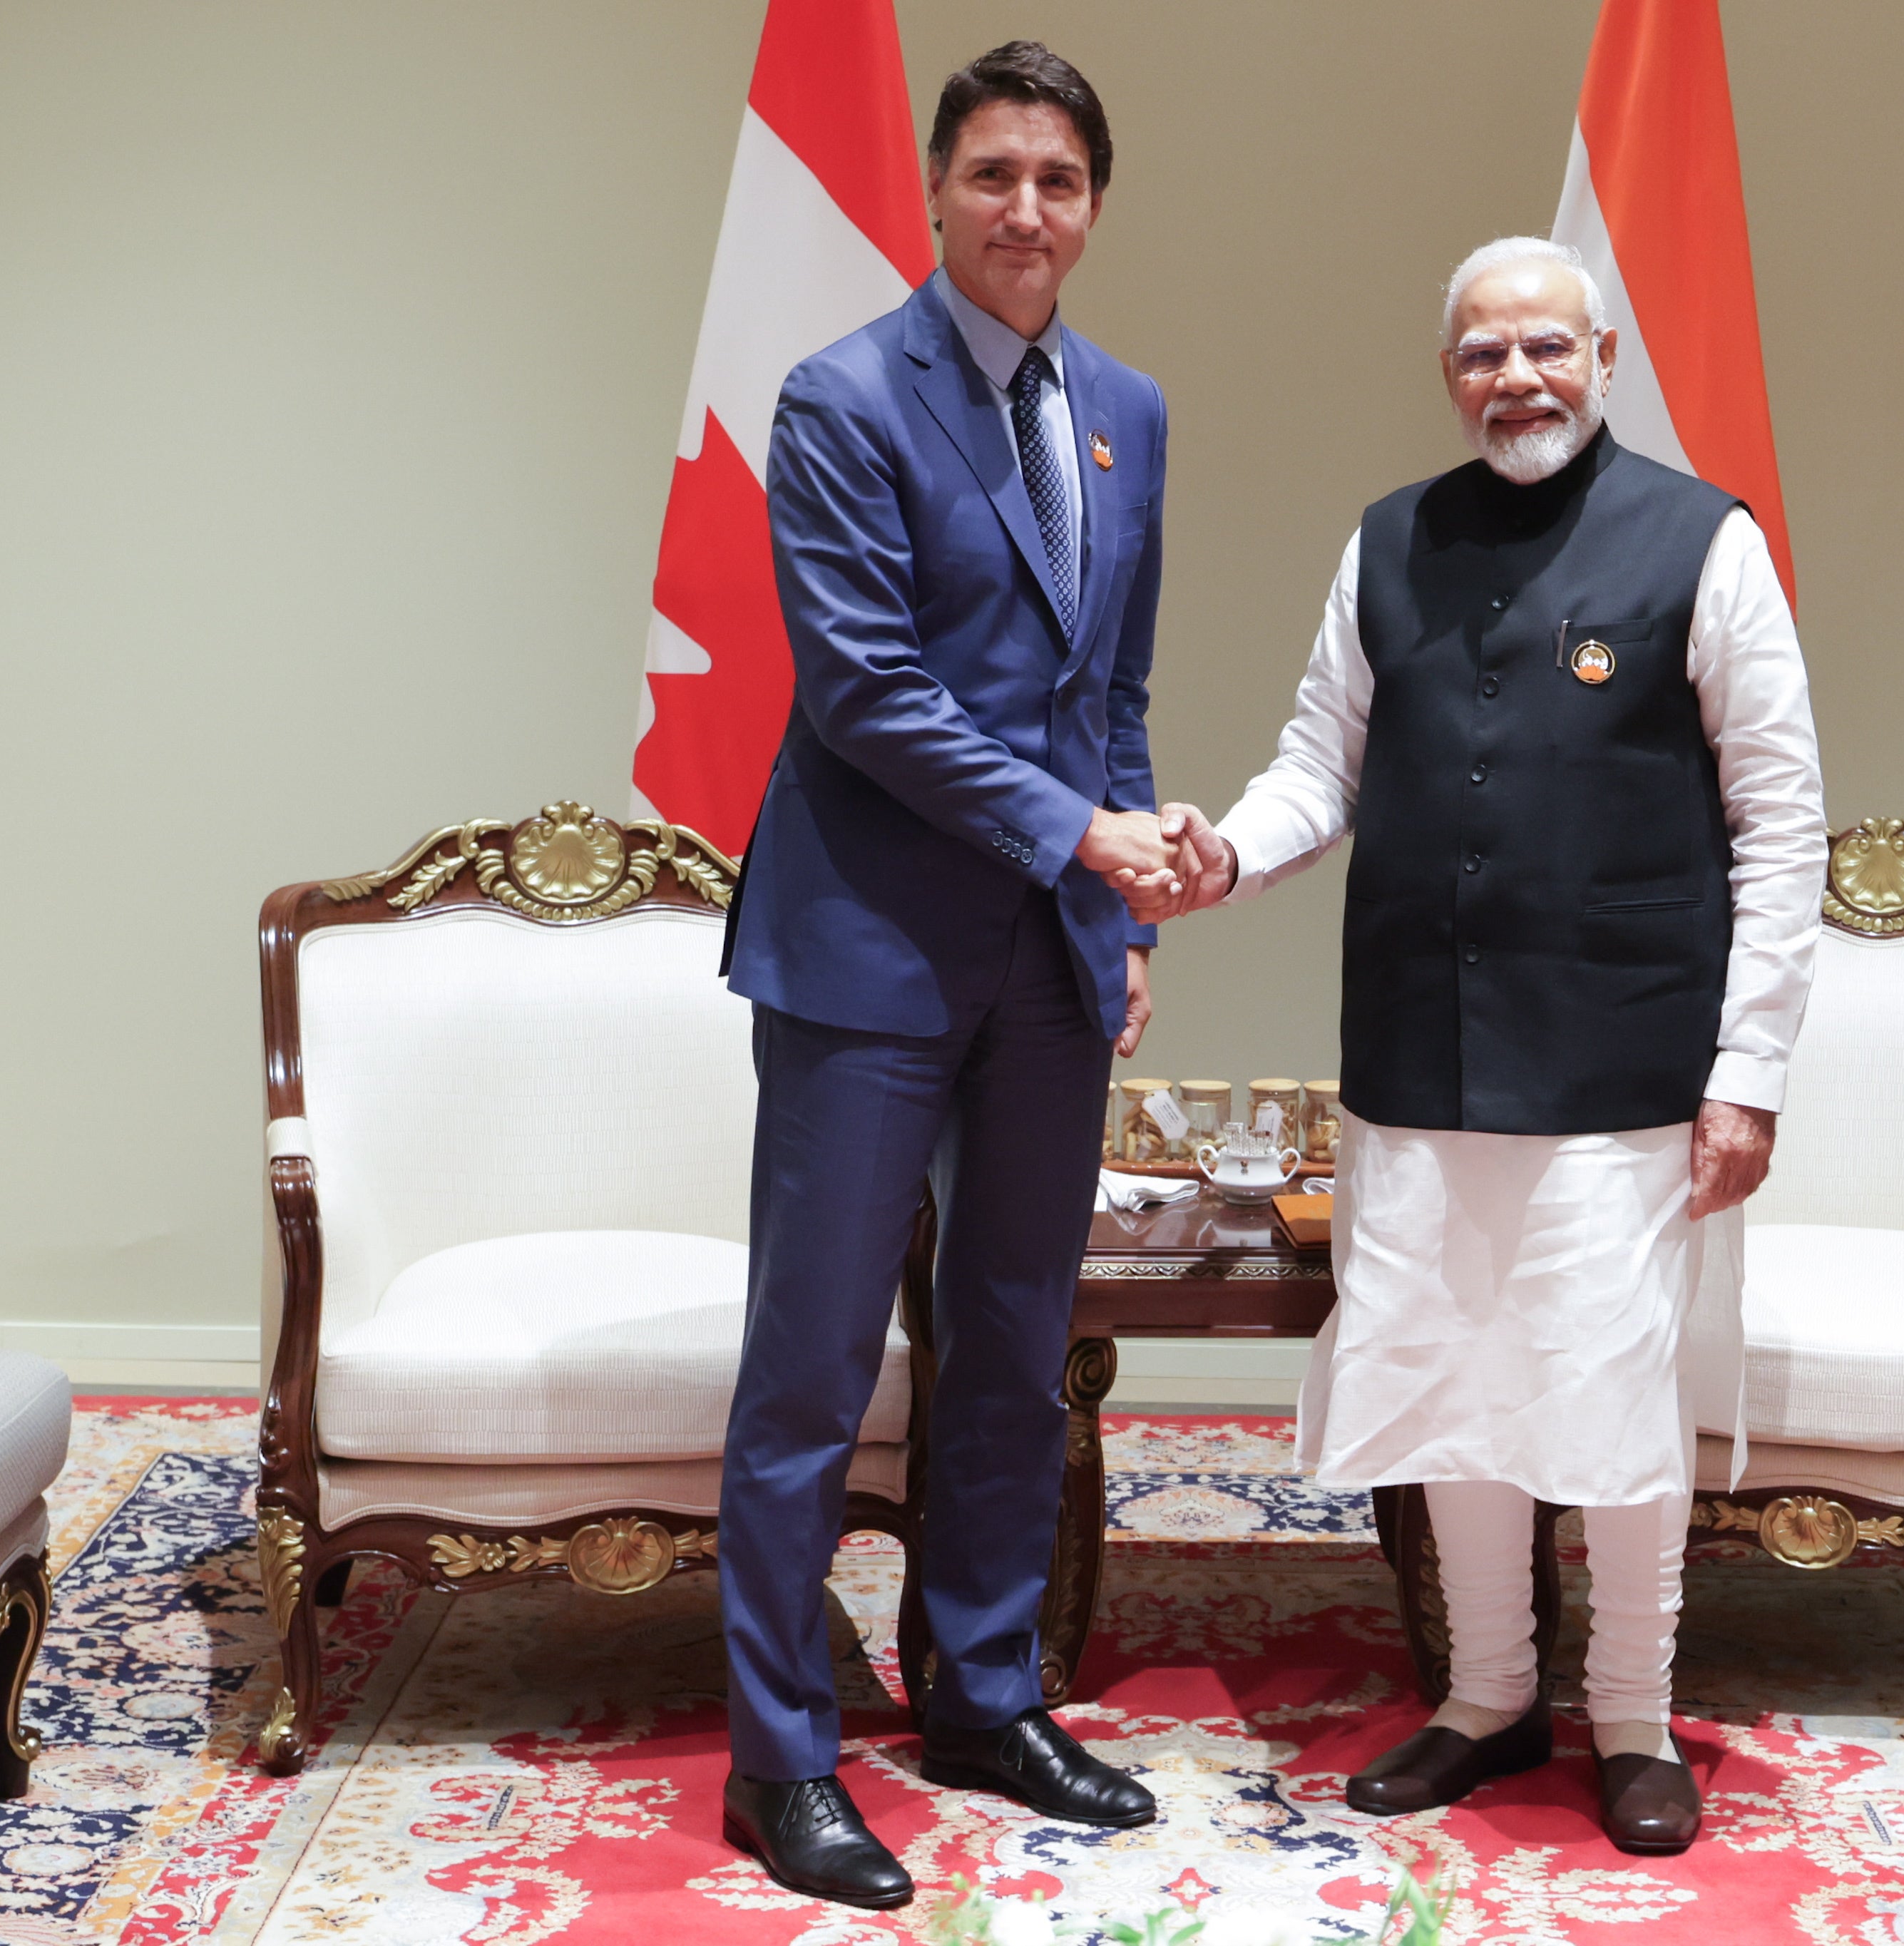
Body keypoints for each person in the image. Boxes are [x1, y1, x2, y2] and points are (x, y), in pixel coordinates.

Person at [1141, 237, 1825, 1853]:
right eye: (1476, 355)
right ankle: (1487, 1696)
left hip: (1622, 1068)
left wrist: (1748, 1074)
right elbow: (1322, 757)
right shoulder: (1390, 542)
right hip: (1418, 1054)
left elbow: (1781, 823)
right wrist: (1229, 854)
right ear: (1445, 373)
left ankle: (1637, 1717)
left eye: (1541, 349)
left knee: (1608, 1400)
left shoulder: (1702, 542)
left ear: (1599, 355)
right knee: (1455, 1385)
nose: (1510, 379)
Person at [715, 41, 1174, 1910]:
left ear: (1090, 205)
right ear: (933, 191)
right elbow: (867, 695)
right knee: (813, 1373)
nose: (1024, 209)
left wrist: (1121, 913)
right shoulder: (840, 400)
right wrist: (1083, 838)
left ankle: (983, 1693)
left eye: (1058, 180)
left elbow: (1111, 697)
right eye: (993, 173)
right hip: (861, 955)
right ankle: (782, 1756)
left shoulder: (1126, 410)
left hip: (1050, 970)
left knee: (1007, 1352)